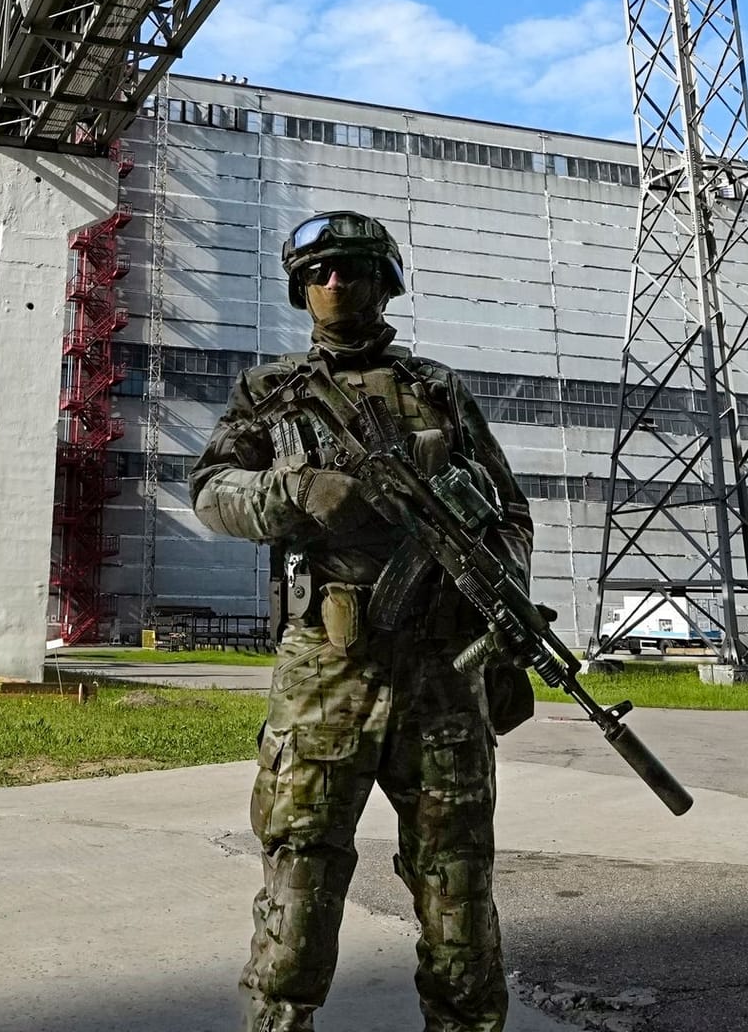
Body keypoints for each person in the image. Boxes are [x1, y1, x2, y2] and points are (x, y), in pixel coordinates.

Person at [189, 211, 536, 1032]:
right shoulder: (268, 393)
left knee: (456, 881)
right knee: (300, 870)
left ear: (385, 281)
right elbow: (209, 491)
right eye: (320, 272)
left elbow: (509, 513)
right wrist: (293, 493)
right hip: (325, 671)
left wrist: (497, 592)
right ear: (300, 288)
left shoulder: (438, 390)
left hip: (444, 671)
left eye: (351, 269)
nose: (335, 284)